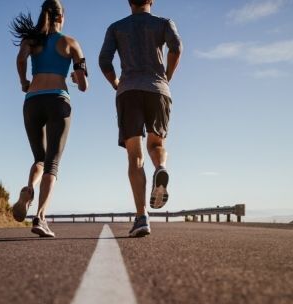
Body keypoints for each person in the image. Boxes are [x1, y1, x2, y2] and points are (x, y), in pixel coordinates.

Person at [99, 0, 182, 237]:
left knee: (135, 156)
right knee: (156, 144)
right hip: (158, 90)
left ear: (129, 2)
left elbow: (104, 61)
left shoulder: (116, 27)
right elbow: (176, 47)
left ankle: (142, 217)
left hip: (129, 91)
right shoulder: (164, 23)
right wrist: (166, 77)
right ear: (151, 0)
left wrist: (116, 82)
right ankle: (161, 167)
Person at [10, 0, 88, 237]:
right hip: (58, 101)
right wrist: (75, 78)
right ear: (61, 17)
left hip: (32, 101)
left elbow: (21, 58)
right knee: (52, 163)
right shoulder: (70, 43)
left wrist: (23, 81)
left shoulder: (31, 40)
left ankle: (29, 190)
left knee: (39, 158)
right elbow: (84, 85)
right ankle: (41, 216)